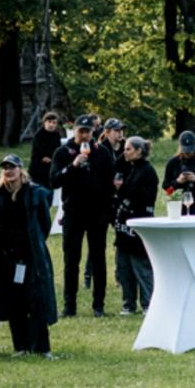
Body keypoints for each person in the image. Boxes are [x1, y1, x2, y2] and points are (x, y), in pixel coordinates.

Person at [0, 157, 56, 356]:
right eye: (5, 168)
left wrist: (36, 242)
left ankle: (41, 347)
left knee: (36, 300)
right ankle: (20, 346)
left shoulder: (35, 193)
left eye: (12, 167)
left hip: (31, 255)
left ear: (20, 169)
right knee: (14, 301)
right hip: (8, 256)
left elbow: (44, 223)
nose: (8, 171)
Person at [54, 119, 114, 317]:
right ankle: (69, 307)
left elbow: (110, 183)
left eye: (88, 131)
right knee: (71, 261)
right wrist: (73, 166)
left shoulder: (103, 152)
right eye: (81, 131)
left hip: (97, 214)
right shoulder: (63, 152)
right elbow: (53, 180)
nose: (85, 135)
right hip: (73, 213)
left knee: (98, 259)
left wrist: (108, 212)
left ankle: (99, 305)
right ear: (75, 131)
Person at [109, 137, 157, 314]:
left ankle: (148, 303)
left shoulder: (147, 171)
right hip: (123, 224)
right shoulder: (129, 168)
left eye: (128, 149)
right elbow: (114, 168)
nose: (125, 152)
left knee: (140, 265)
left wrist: (123, 192)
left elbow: (143, 196)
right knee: (124, 266)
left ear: (139, 151)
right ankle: (128, 303)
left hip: (139, 223)